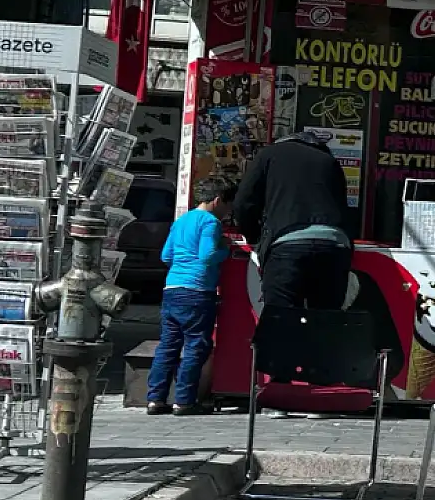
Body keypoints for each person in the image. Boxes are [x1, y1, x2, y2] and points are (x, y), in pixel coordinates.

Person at [233, 129, 352, 308]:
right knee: (326, 321)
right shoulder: (329, 161)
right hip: (333, 246)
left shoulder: (269, 155)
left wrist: (254, 238)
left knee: (281, 321)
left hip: (286, 242)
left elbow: (243, 203)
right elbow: (344, 208)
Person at [146, 178, 235, 416]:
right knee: (196, 346)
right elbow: (207, 256)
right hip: (197, 292)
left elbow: (166, 256)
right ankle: (184, 400)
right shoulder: (210, 222)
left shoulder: (181, 221)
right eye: (228, 206)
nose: (228, 212)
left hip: (172, 289)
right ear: (218, 201)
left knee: (168, 346)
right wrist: (226, 250)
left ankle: (155, 399)